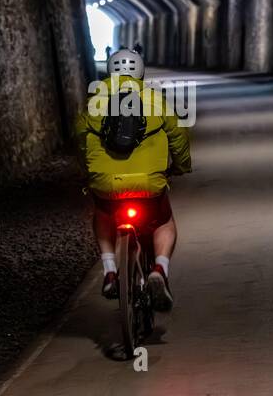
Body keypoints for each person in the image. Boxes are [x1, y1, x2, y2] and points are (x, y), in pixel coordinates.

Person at [74, 46, 192, 310]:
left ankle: (110, 271)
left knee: (103, 215)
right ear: (140, 71)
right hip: (149, 185)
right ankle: (159, 270)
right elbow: (178, 136)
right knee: (163, 222)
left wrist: (88, 172)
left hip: (106, 185)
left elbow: (80, 139)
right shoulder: (153, 99)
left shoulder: (95, 102)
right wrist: (182, 166)